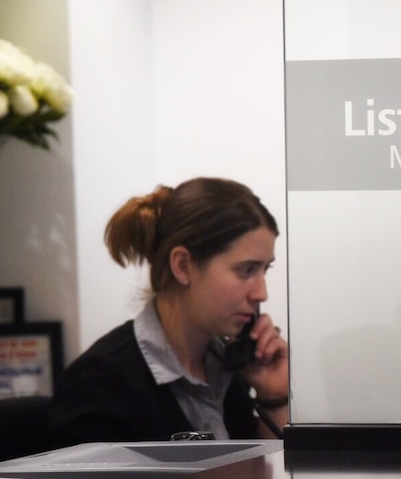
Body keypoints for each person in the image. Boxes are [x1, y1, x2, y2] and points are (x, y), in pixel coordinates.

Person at [47, 177, 288, 448]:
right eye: (246, 270)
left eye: (264, 270)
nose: (261, 293)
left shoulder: (227, 370)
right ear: (183, 265)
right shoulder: (98, 383)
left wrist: (273, 396)